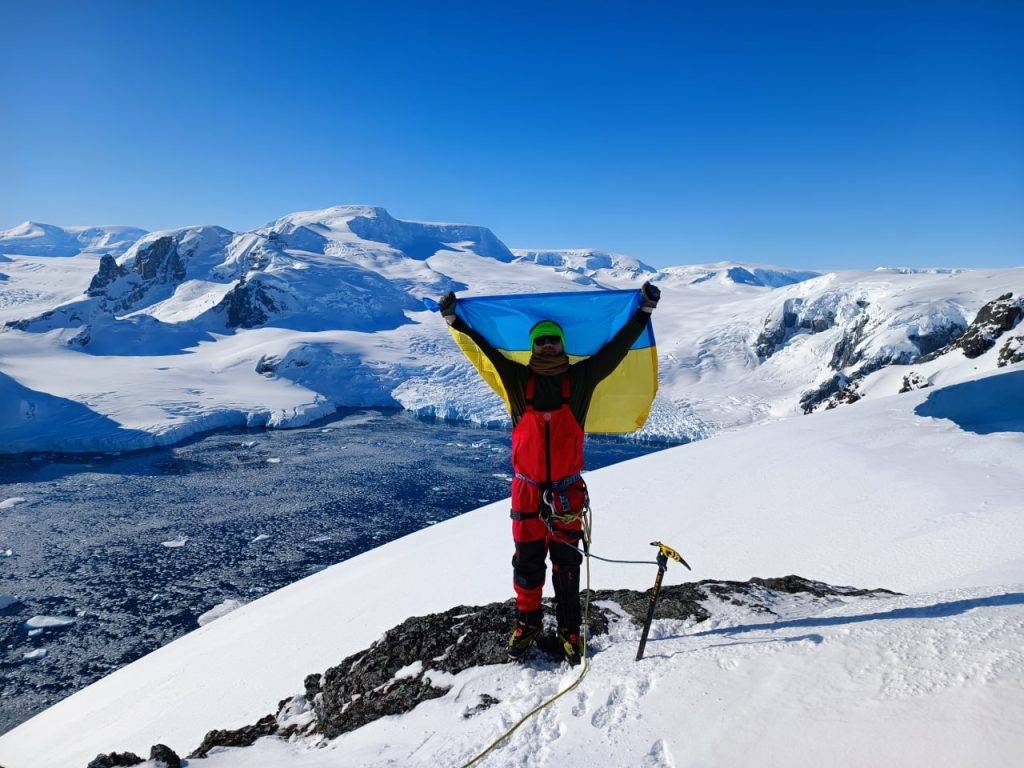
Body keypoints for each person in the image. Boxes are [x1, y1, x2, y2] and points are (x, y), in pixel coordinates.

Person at [439, 282, 660, 663]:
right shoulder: (517, 380)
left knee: (567, 568)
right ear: (532, 346)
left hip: (565, 494)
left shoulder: (580, 381)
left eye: (552, 341)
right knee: (526, 564)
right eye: (540, 342)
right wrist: (455, 320)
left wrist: (643, 312)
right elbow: (487, 353)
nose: (546, 347)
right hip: (526, 492)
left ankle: (570, 631)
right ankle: (527, 624)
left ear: (561, 345)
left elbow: (616, 351)